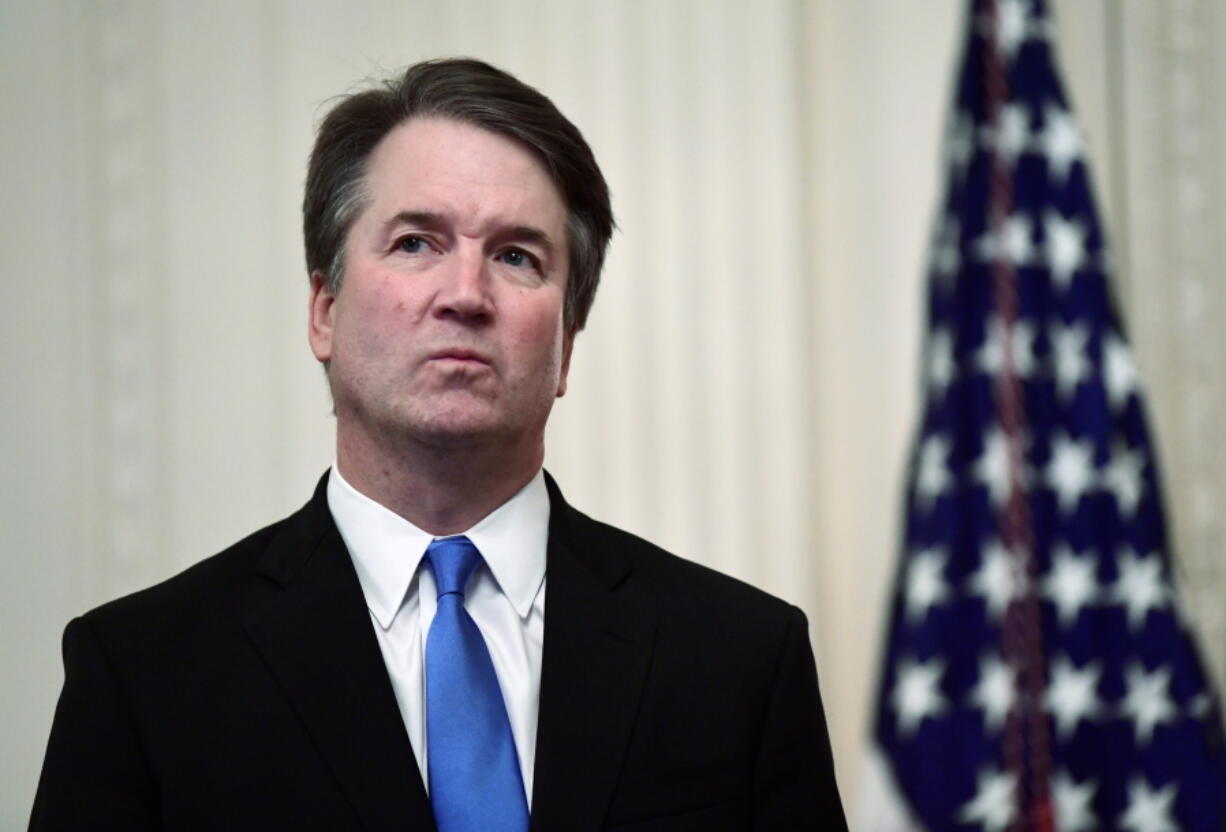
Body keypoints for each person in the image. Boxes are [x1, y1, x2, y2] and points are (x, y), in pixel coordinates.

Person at [30, 58, 846, 831]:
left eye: (517, 256)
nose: (466, 295)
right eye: (416, 242)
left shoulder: (738, 661)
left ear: (566, 342)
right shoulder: (144, 675)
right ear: (324, 309)